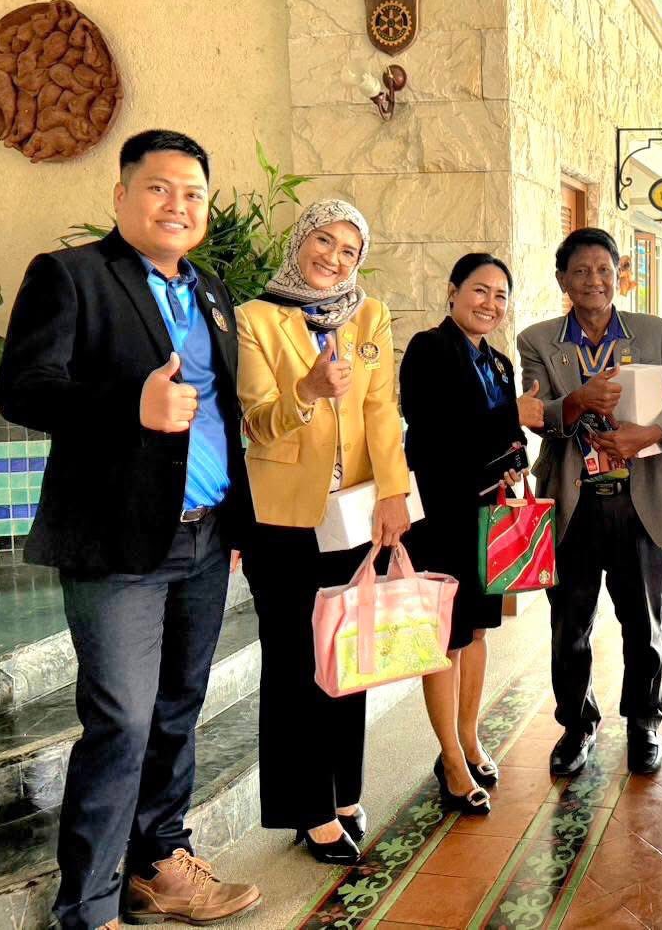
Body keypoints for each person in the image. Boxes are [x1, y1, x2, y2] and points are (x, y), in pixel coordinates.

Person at [0, 130, 260, 930]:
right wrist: (128, 406)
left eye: (193, 194)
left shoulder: (211, 292)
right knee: (121, 720)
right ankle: (88, 905)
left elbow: (221, 414)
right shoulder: (71, 276)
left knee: (178, 708)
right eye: (159, 188)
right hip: (116, 544)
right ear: (121, 196)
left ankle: (159, 863)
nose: (178, 205)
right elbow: (23, 389)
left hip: (204, 538)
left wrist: (233, 520)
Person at [235, 199, 410, 864]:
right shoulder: (256, 319)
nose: (333, 258)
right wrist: (306, 390)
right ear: (301, 240)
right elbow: (256, 421)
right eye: (324, 241)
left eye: (349, 250)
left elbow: (382, 410)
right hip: (283, 517)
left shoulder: (369, 315)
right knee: (294, 663)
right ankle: (308, 809)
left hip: (355, 512)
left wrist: (393, 492)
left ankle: (342, 790)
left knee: (348, 655)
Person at [519, 227, 662, 777]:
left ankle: (644, 722)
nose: (593, 281)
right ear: (563, 280)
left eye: (603, 270)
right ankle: (576, 725)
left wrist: (649, 434)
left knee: (642, 622)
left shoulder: (653, 333)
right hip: (571, 502)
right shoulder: (537, 341)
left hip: (638, 498)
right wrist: (575, 401)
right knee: (569, 623)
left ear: (618, 275)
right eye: (580, 271)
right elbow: (538, 415)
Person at [401, 253, 543, 814]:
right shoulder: (428, 349)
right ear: (453, 291)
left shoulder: (500, 363)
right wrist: (510, 417)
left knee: (478, 631)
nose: (490, 304)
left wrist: (513, 461)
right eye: (480, 291)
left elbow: (508, 440)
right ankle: (450, 759)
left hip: (487, 515)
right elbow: (433, 430)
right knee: (446, 638)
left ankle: (468, 737)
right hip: (439, 517)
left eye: (500, 295)